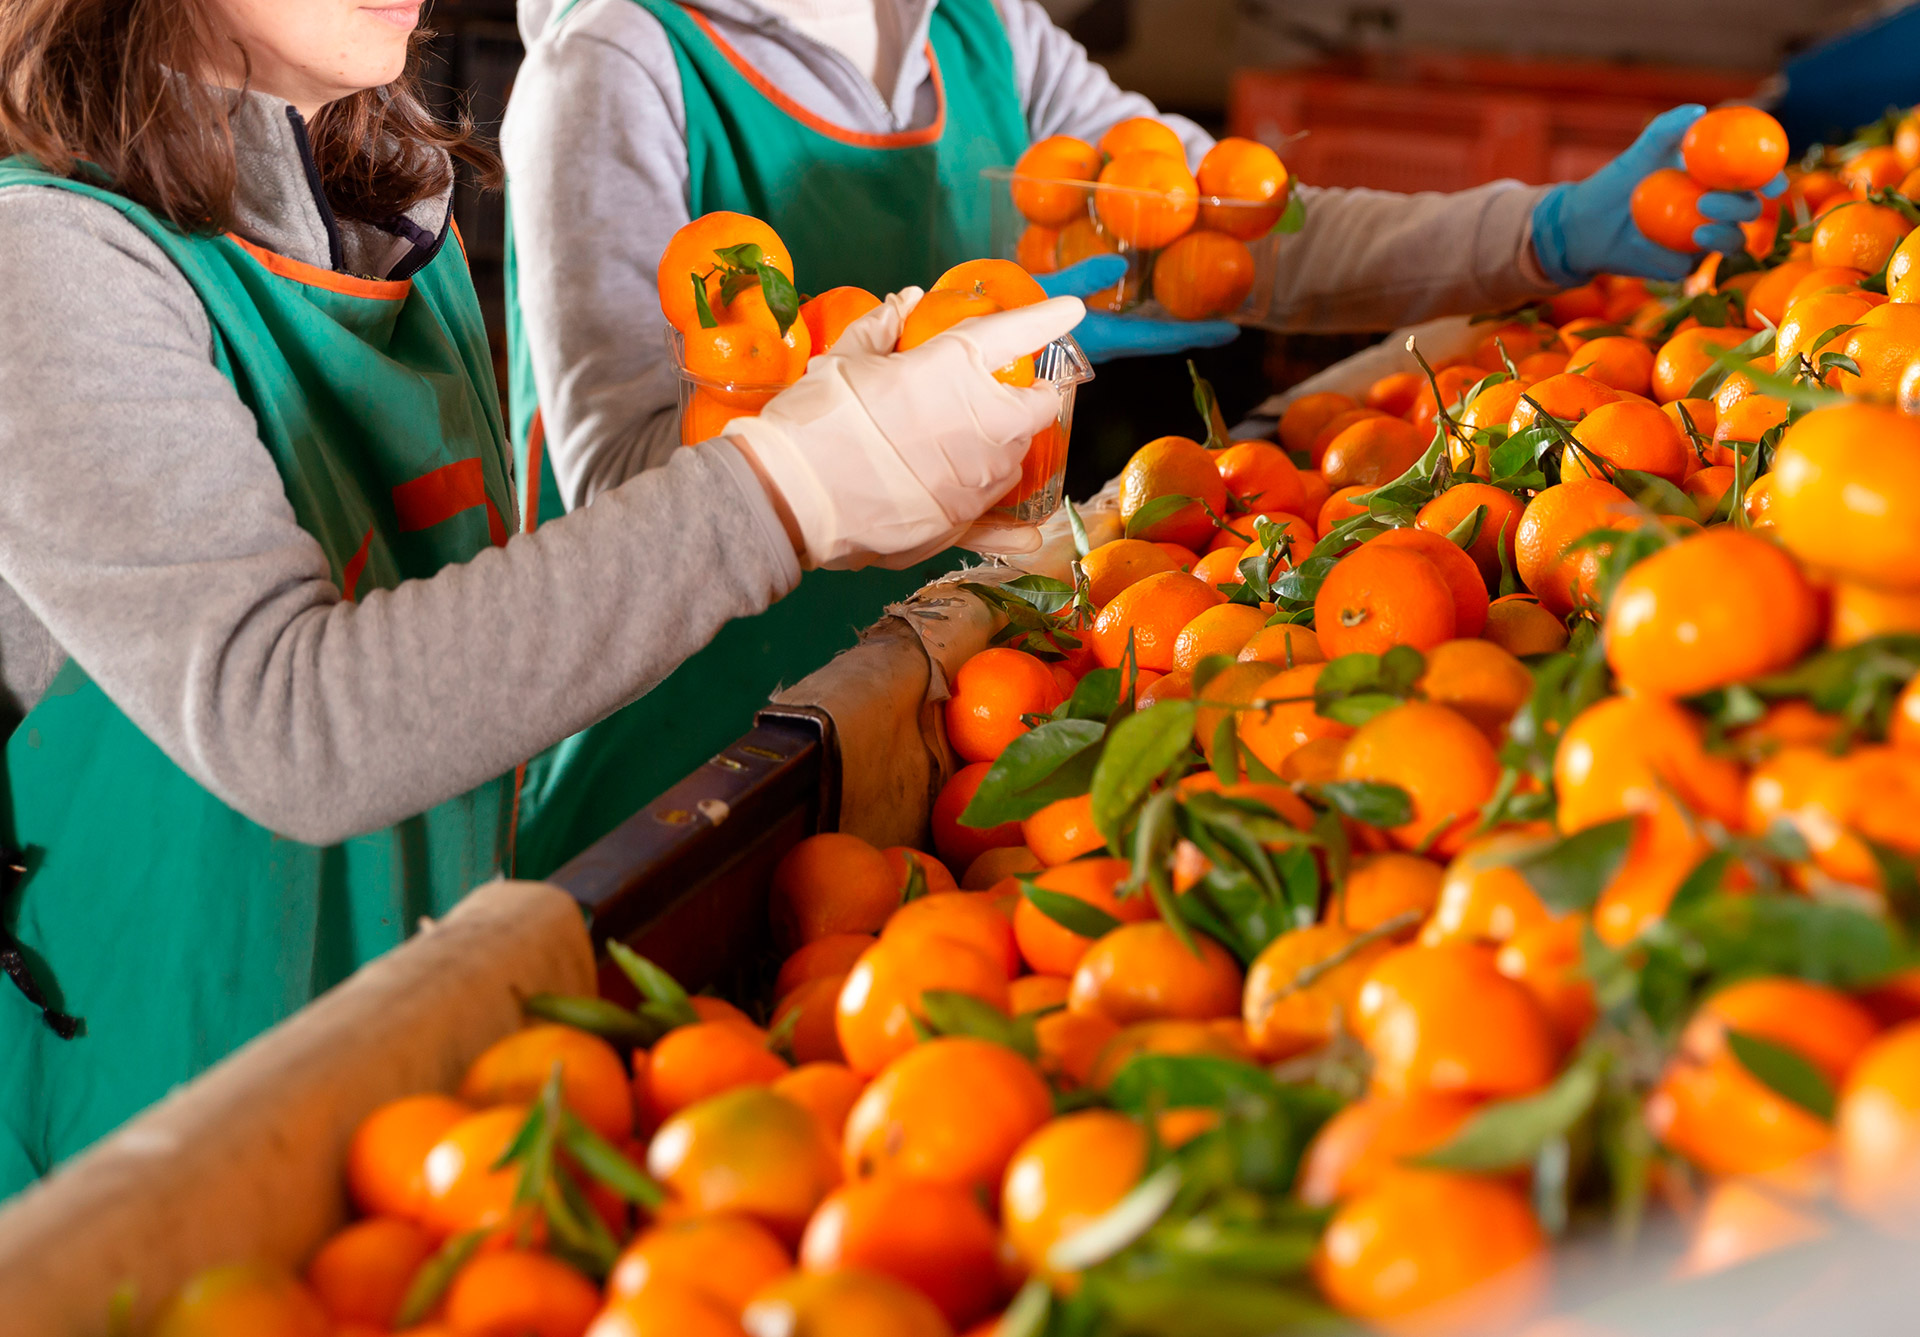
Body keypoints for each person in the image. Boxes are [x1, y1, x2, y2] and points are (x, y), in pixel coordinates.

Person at [0, 0, 1081, 1193]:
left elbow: (474, 656)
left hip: (408, 1089)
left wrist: (828, 451)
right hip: (142, 1149)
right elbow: (292, 719)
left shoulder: (386, 218)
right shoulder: (40, 259)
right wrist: (788, 487)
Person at [501, 0, 1772, 874]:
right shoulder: (616, 60)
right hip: (701, 765)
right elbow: (618, 474)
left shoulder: (977, 33)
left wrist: (1541, 233)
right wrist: (1000, 366)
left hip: (955, 708)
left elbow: (1238, 238)